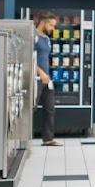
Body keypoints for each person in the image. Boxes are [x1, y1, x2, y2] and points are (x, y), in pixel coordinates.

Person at [34, 11, 60, 146]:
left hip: (46, 80)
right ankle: (23, 138)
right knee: (30, 108)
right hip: (35, 79)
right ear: (43, 22)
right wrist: (41, 73)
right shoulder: (33, 36)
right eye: (51, 25)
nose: (52, 29)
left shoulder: (47, 39)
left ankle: (48, 138)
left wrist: (47, 76)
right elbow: (28, 59)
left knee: (50, 109)